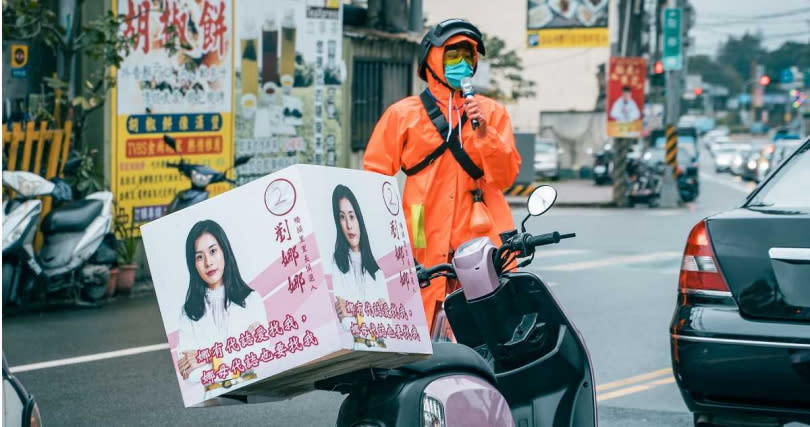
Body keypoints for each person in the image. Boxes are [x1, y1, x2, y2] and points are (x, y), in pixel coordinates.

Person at [363, 19, 521, 331]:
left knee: (484, 325)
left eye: (467, 56)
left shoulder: (493, 113)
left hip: (480, 229)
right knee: (421, 312)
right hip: (420, 223)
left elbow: (504, 178)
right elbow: (374, 176)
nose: (461, 64)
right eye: (452, 56)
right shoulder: (403, 114)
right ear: (431, 60)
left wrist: (485, 133)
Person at [175, 220, 267, 397]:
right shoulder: (189, 312)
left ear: (224, 251)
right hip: (214, 399)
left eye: (213, 251)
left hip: (253, 393)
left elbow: (259, 355)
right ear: (192, 264)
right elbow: (191, 374)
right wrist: (240, 348)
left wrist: (206, 357)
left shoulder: (251, 300)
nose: (208, 262)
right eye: (199, 257)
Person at [329, 185, 390, 348]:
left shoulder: (377, 272)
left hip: (383, 351)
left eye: (352, 216)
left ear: (359, 218)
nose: (349, 225)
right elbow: (345, 322)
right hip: (357, 350)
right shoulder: (338, 264)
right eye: (342, 217)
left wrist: (354, 309)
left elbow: (386, 322)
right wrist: (371, 311)